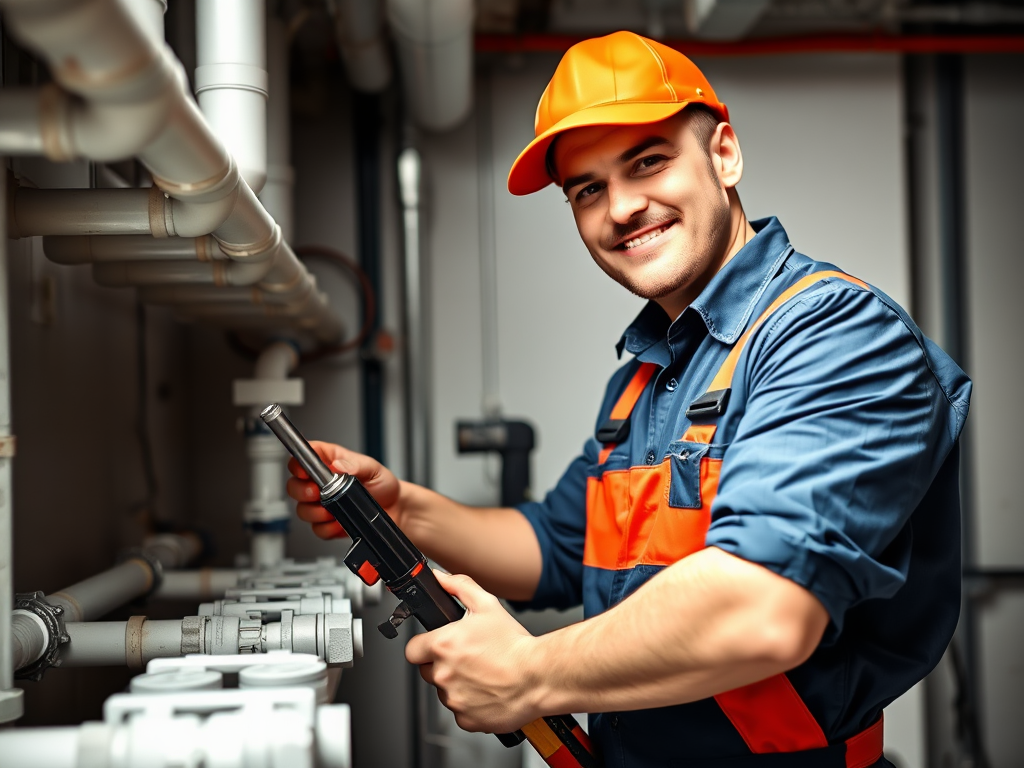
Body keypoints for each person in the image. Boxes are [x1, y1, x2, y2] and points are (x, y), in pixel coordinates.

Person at [287, 31, 971, 768]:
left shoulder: (834, 337)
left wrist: (527, 673)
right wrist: (402, 510)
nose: (620, 207)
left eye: (648, 161)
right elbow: (559, 547)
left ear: (725, 154)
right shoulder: (650, 372)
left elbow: (764, 611)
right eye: (587, 189)